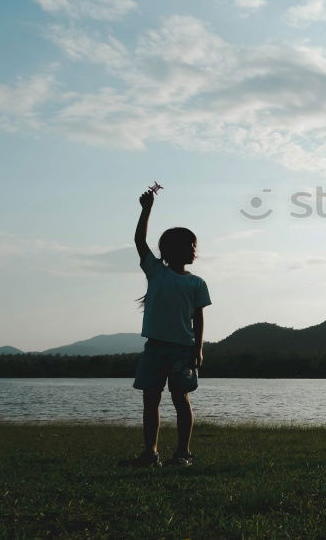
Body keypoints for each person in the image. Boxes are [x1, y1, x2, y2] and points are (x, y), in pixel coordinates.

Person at [119, 188, 210, 467]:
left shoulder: (197, 283)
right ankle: (151, 454)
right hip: (155, 348)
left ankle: (183, 454)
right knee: (151, 400)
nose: (195, 250)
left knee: (181, 400)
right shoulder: (156, 272)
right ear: (174, 250)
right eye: (190, 245)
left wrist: (199, 349)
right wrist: (146, 209)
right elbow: (139, 240)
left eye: (195, 246)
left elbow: (199, 318)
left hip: (183, 350)